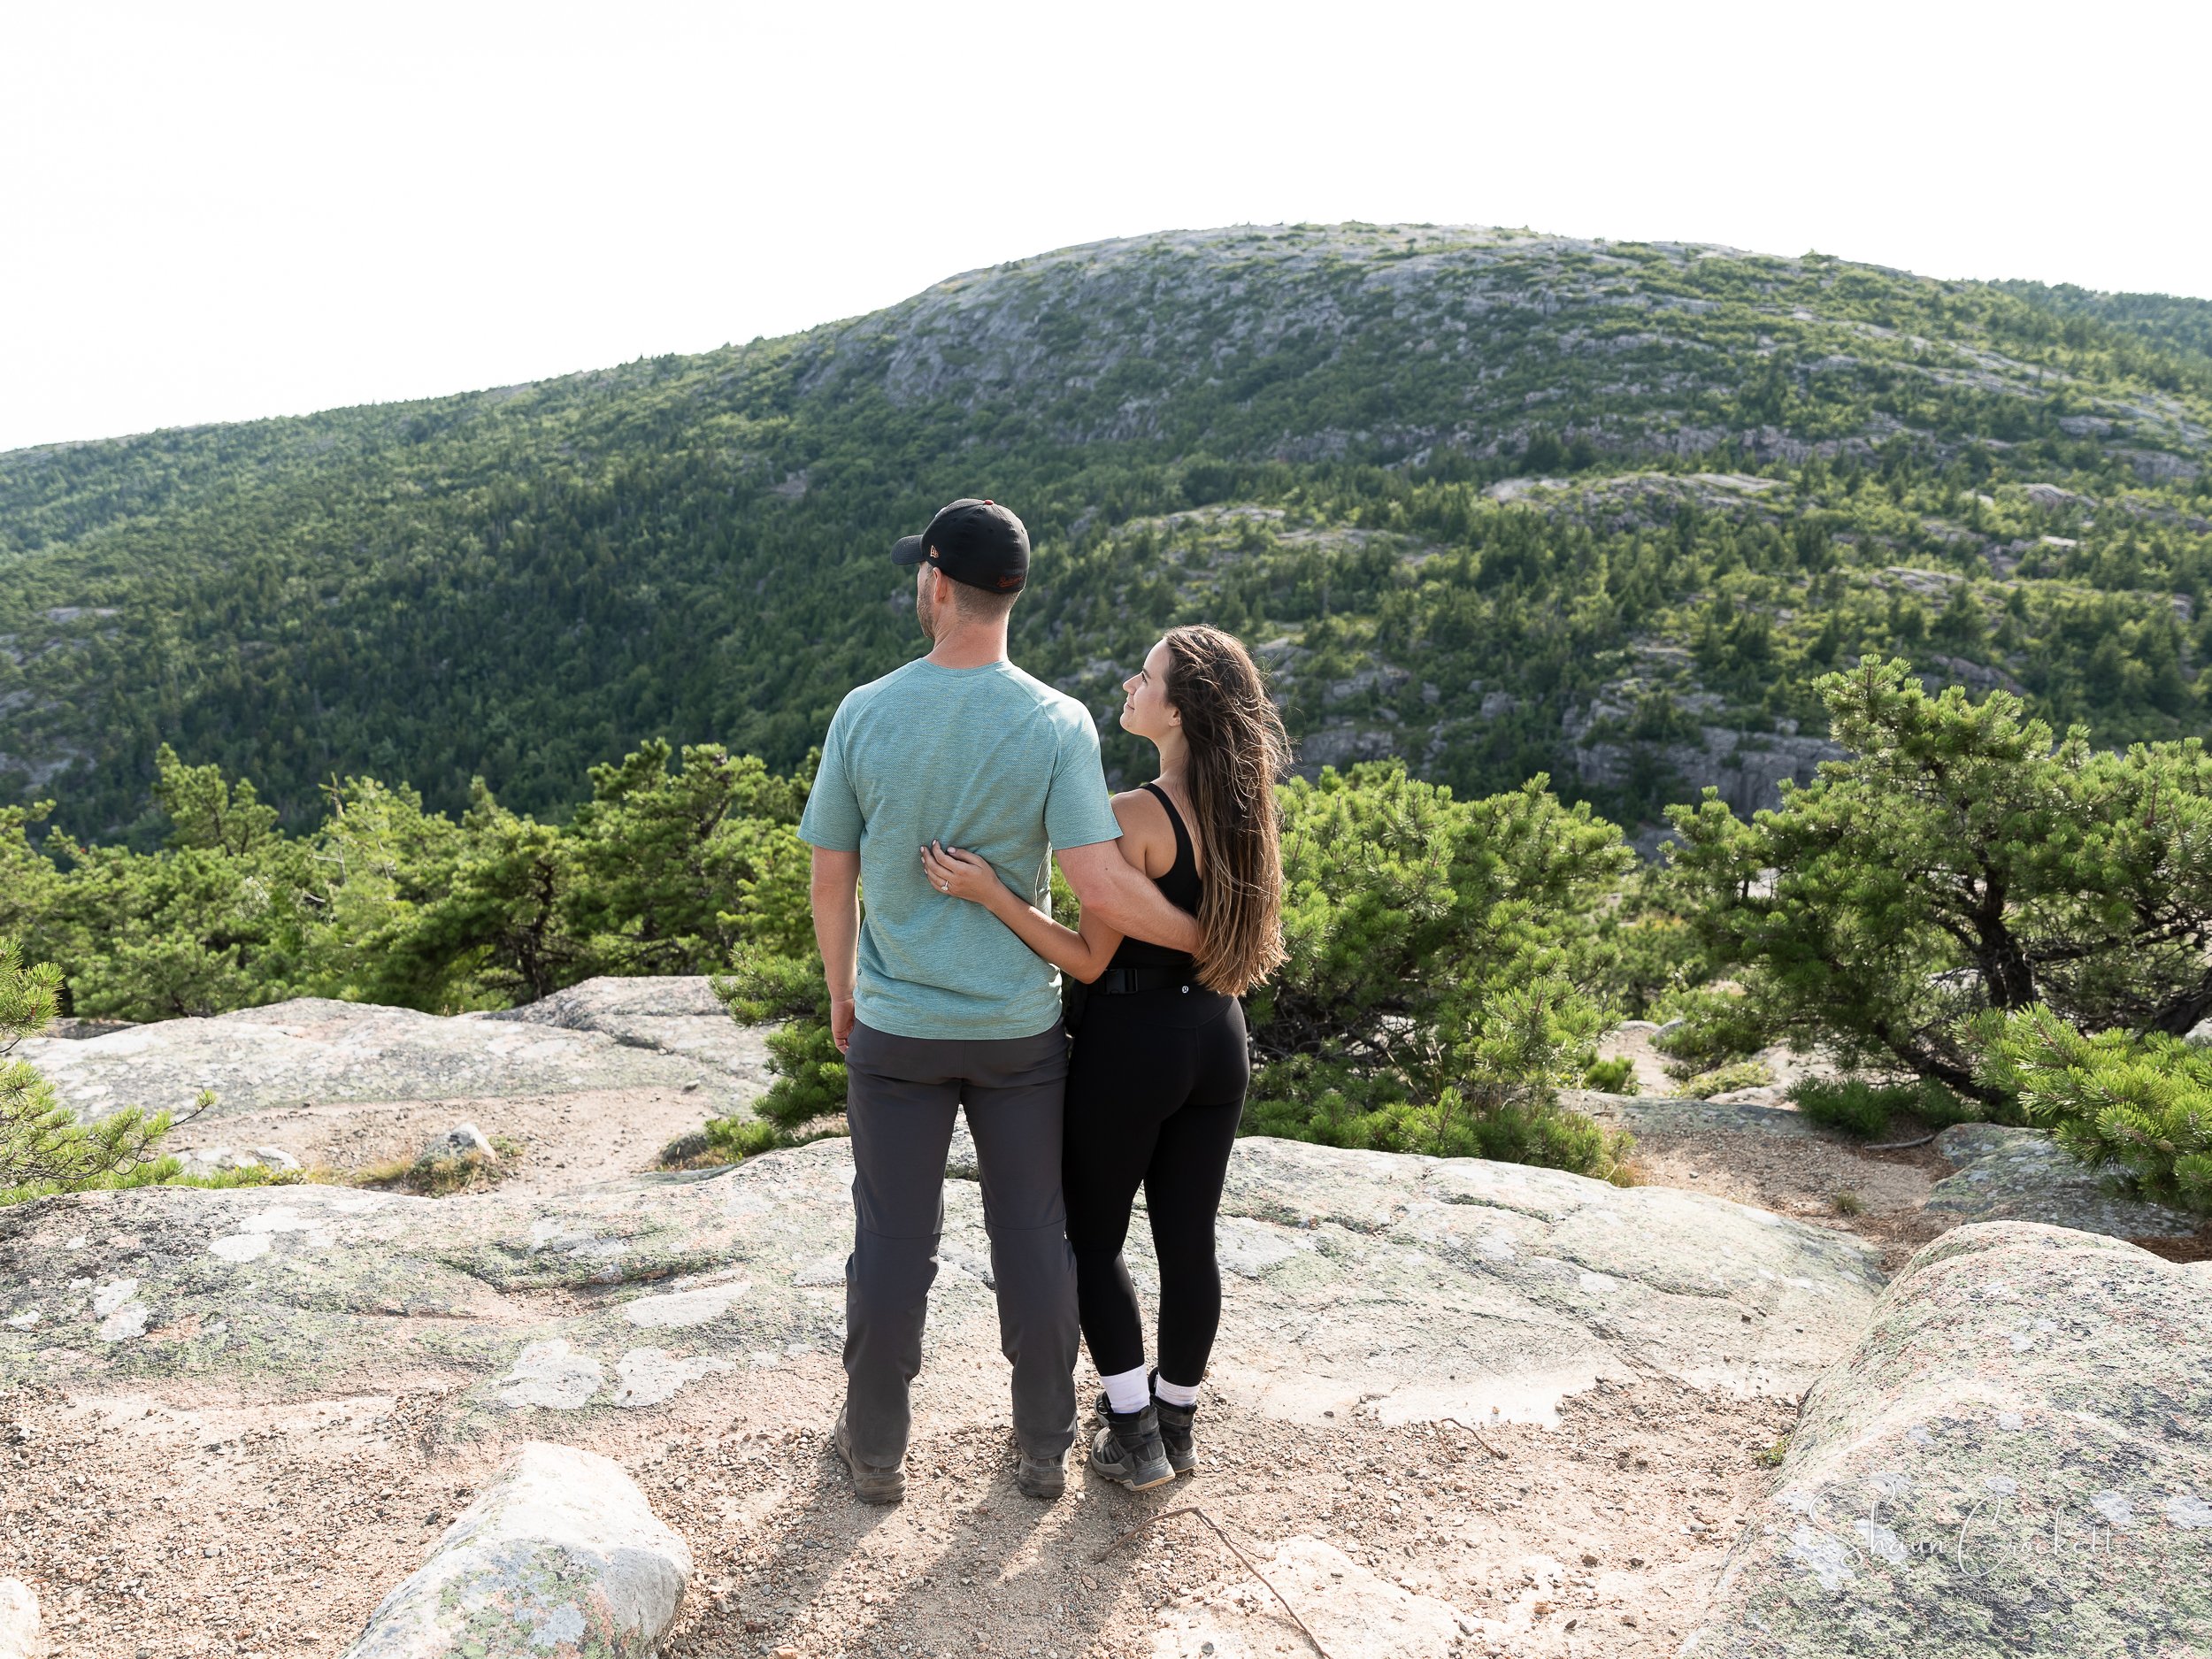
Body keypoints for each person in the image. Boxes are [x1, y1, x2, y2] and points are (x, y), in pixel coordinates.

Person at [798, 497, 1202, 1506]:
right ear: (1013, 593)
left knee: (893, 1239)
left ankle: (878, 1452)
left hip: (898, 1026)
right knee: (1031, 1235)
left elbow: (827, 877)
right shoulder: (1058, 721)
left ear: (937, 584)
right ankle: (1040, 1449)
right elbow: (1098, 883)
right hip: (1022, 1031)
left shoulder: (865, 710)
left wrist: (843, 992)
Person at [923, 624, 1288, 1492]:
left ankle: (1129, 1429)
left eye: (1146, 675)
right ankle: (1177, 1420)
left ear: (1180, 705)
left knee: (1089, 1236)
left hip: (1136, 1042)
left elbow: (1088, 957)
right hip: (1218, 1040)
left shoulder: (1135, 815)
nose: (1130, 683)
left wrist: (991, 894)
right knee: (1188, 1240)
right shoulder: (1246, 812)